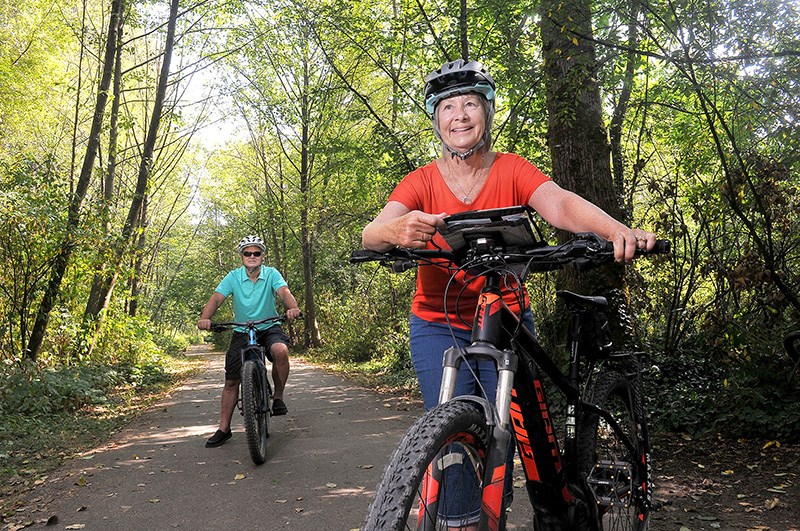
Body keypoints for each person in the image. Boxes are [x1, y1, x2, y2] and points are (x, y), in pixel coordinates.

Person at [361, 59, 656, 528]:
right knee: (451, 437)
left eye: (470, 104)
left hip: (510, 319)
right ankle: (460, 522)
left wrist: (615, 229)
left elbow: (558, 203)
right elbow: (372, 233)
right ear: (436, 119)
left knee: (529, 432)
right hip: (439, 324)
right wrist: (395, 228)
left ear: (487, 112)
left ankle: (556, 505)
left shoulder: (512, 169)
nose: (459, 115)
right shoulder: (420, 181)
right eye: (448, 107)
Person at [197, 235, 301, 448]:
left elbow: (284, 292)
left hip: (269, 326)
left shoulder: (271, 274)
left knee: (280, 351)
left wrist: (292, 307)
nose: (252, 257)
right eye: (247, 253)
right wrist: (205, 318)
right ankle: (224, 429)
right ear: (242, 256)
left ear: (262, 256)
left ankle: (278, 397)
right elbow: (217, 298)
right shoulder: (233, 277)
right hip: (242, 330)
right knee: (231, 381)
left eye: (256, 253)